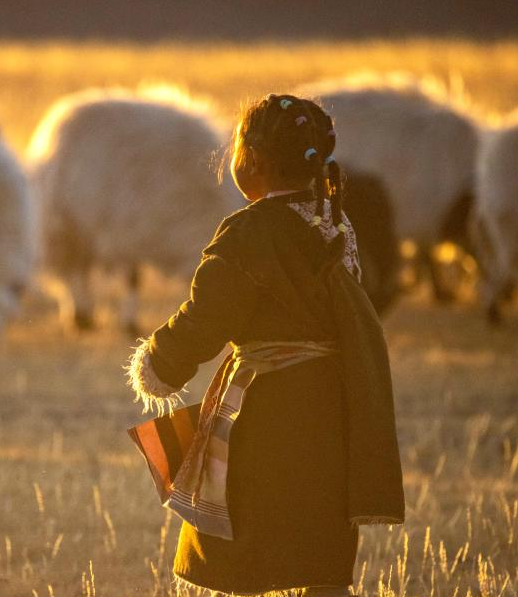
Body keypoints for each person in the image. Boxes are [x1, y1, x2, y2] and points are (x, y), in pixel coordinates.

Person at [127, 94, 405, 596]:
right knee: (320, 542)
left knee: (250, 548)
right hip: (333, 408)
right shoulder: (336, 224)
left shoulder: (246, 233)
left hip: (267, 414)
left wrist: (160, 363)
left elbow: (205, 318)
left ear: (250, 161)